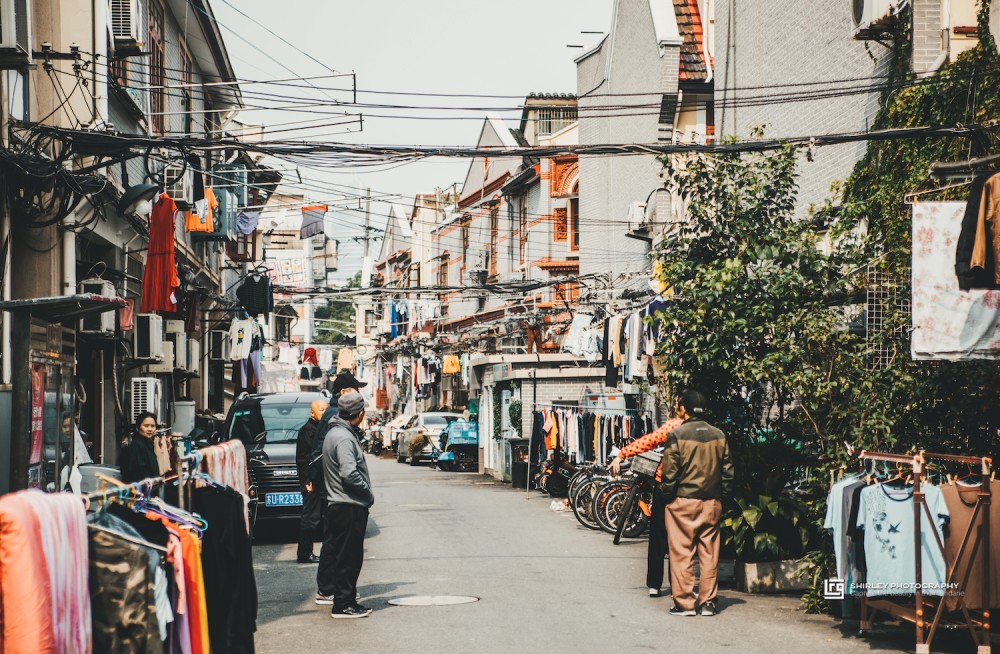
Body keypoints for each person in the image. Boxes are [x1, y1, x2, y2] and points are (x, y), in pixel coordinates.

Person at [660, 390, 734, 617]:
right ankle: (708, 603)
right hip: (712, 502)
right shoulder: (719, 435)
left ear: (684, 408)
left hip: (683, 501)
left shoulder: (677, 434)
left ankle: (685, 603)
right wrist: (723, 496)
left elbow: (669, 473)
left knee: (682, 552)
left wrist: (668, 495)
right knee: (709, 553)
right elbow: (728, 472)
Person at [609, 413, 683, 597]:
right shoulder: (704, 430)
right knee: (681, 538)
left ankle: (655, 583)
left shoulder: (675, 425)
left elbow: (649, 441)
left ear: (682, 407)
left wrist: (622, 454)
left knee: (658, 534)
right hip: (690, 488)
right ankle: (679, 586)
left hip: (665, 484)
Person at [315, 392, 374, 618]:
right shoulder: (344, 438)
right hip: (348, 505)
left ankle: (346, 600)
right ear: (359, 413)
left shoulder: (335, 432)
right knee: (349, 558)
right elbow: (349, 472)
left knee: (345, 556)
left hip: (340, 504)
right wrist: (367, 493)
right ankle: (343, 604)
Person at [296, 399, 328, 564]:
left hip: (321, 481)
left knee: (319, 518)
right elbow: (304, 460)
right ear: (312, 413)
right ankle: (304, 554)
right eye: (321, 409)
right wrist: (306, 481)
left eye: (325, 409)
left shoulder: (322, 428)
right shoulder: (308, 431)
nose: (324, 412)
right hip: (311, 483)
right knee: (310, 518)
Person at [120, 411, 160, 483]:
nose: (150, 429)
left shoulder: (148, 444)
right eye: (146, 426)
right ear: (137, 428)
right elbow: (135, 473)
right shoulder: (136, 446)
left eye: (153, 426)